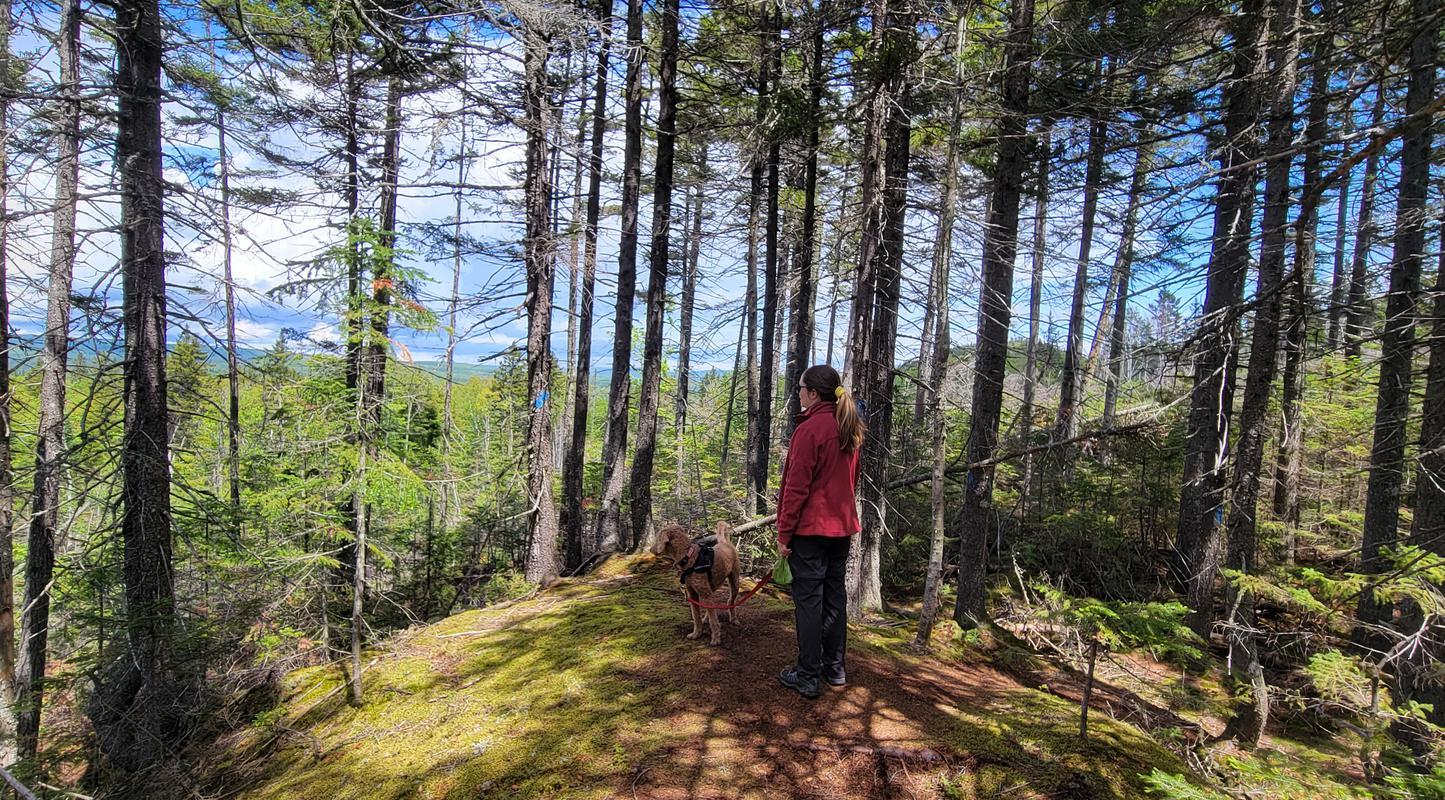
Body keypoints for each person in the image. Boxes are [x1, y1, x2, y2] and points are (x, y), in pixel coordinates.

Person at [775, 364, 866, 699]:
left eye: (801, 388)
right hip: (840, 530)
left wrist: (785, 534)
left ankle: (808, 674)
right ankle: (834, 668)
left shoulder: (810, 430)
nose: (797, 392)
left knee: (809, 601)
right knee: (834, 597)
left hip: (811, 531)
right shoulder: (848, 427)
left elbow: (795, 488)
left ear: (813, 393)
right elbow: (850, 482)